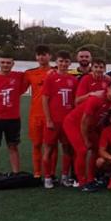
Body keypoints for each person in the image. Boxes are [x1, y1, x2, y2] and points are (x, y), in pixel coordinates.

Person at [63, 80, 111, 191]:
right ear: (108, 89)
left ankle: (91, 179)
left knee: (97, 149)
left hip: (91, 126)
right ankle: (82, 182)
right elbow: (84, 121)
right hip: (73, 123)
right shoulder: (96, 99)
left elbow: (105, 119)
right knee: (82, 150)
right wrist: (86, 139)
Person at [42, 50, 79, 188]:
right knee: (49, 149)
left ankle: (64, 176)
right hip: (54, 120)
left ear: (70, 63)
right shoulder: (50, 78)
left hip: (67, 122)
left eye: (66, 61)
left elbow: (76, 101)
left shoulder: (73, 80)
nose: (63, 64)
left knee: (67, 149)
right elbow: (45, 99)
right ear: (56, 62)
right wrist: (48, 119)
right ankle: (47, 177)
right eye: (61, 61)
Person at [23, 45, 52, 177]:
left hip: (51, 115)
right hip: (35, 115)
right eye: (39, 54)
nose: (41, 57)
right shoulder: (29, 73)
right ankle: (37, 172)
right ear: (36, 57)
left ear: (49, 56)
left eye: (44, 54)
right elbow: (18, 89)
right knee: (36, 144)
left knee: (51, 145)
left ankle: (50, 173)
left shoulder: (56, 72)